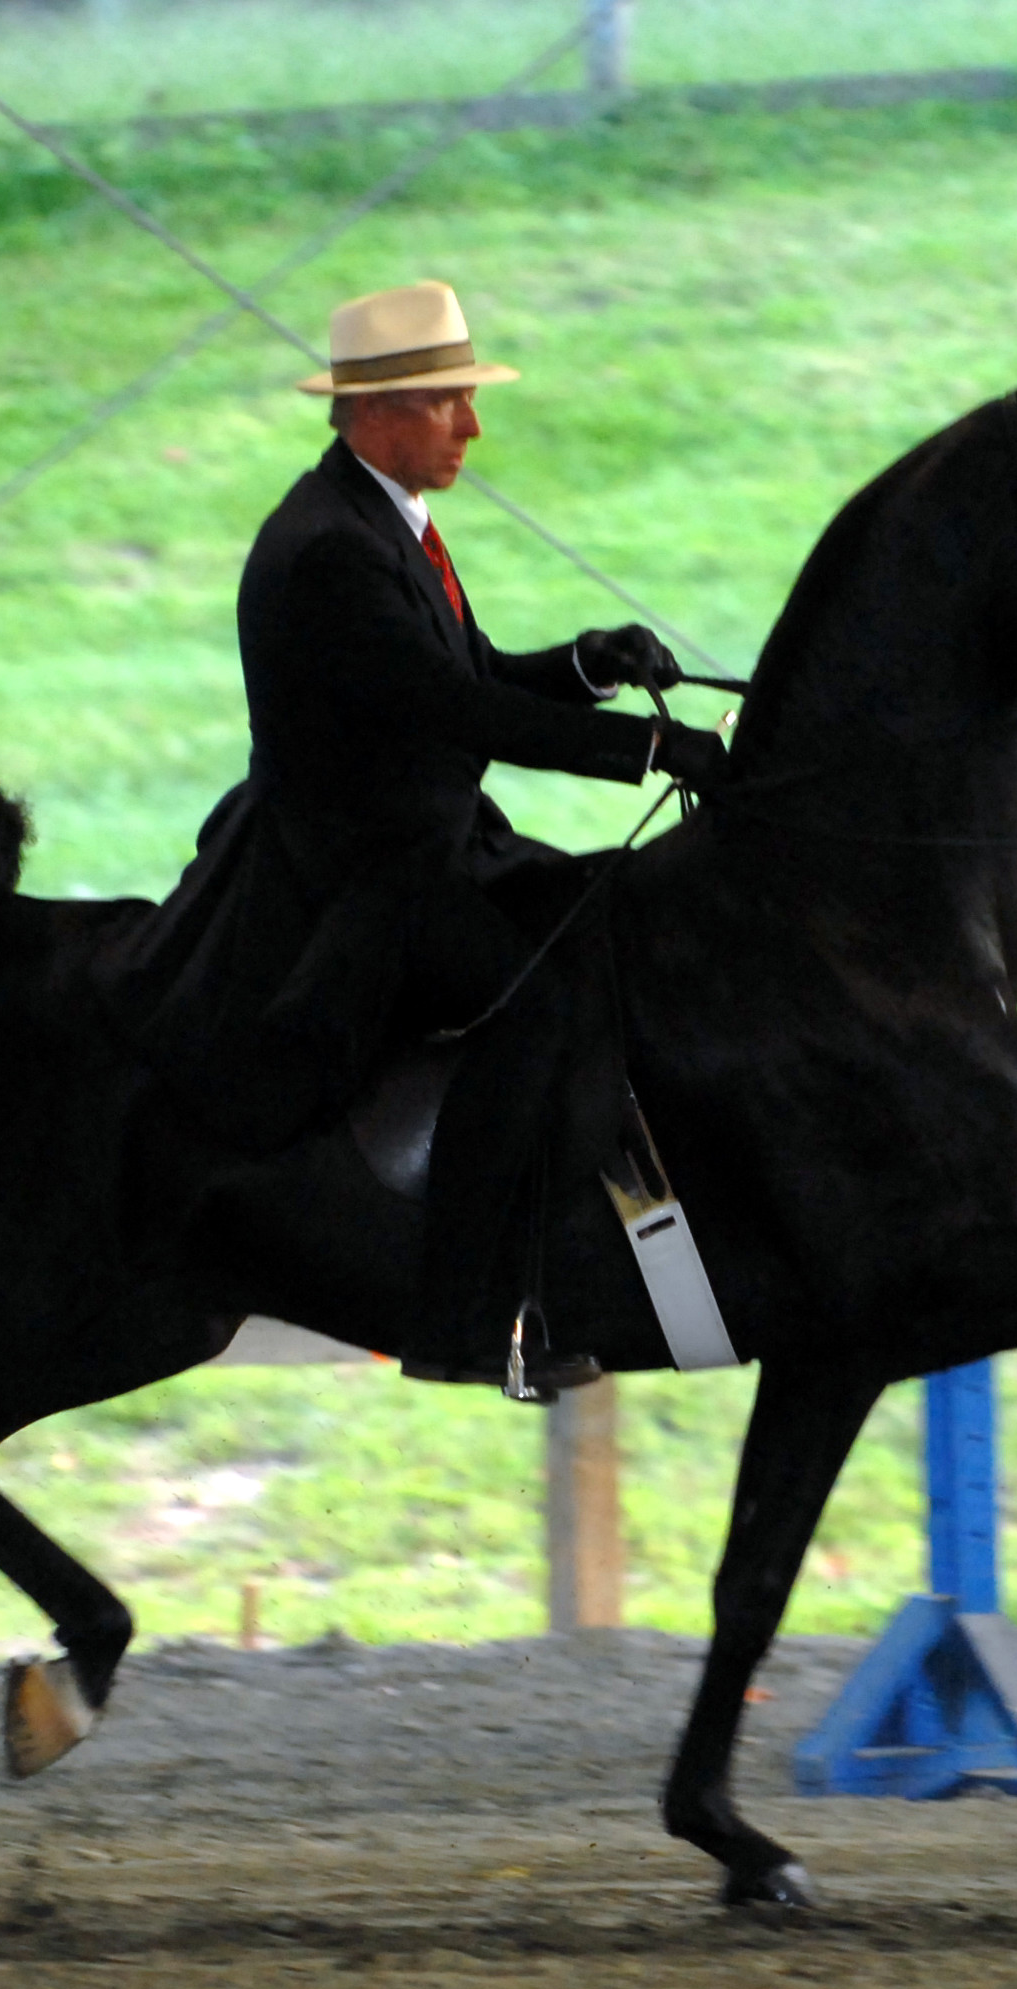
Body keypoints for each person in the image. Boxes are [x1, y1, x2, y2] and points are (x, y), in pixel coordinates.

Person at [131, 280, 726, 1386]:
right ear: (377, 412)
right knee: (536, 1006)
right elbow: (457, 712)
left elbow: (475, 671)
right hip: (359, 881)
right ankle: (465, 1323)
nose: (472, 427)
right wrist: (650, 752)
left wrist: (592, 663)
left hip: (435, 851)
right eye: (450, 402)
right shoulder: (327, 553)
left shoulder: (383, 521)